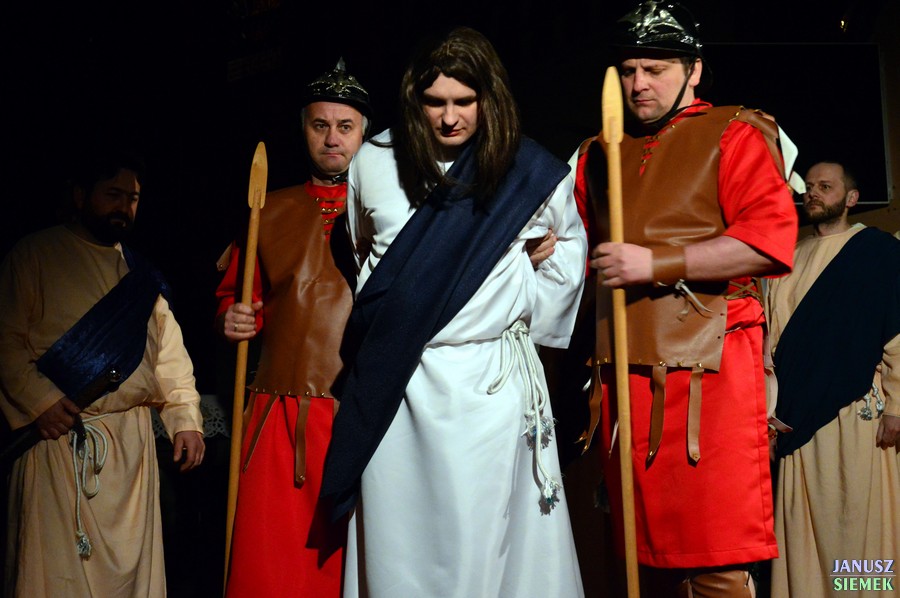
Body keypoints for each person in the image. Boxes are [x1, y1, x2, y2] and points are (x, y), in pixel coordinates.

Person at [319, 27, 587, 597]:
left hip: (491, 384)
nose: (448, 118)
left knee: (488, 540)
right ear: (414, 99)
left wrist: (519, 283)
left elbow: (568, 252)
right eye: (434, 102)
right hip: (401, 380)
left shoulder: (525, 170)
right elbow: (367, 256)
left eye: (464, 102)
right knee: (402, 543)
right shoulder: (376, 160)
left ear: (490, 97)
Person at [573, 2, 799, 594]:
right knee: (638, 549)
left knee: (714, 545)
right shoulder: (597, 153)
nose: (638, 84)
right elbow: (581, 251)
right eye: (628, 70)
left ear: (694, 69)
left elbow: (767, 241)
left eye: (655, 69)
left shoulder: (735, 131)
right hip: (624, 371)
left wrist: (655, 263)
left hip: (710, 372)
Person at [0, 147, 205, 597]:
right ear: (80, 195)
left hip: (132, 452)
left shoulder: (142, 277)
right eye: (113, 194)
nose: (124, 207)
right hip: (59, 440)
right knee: (56, 577)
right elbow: (5, 341)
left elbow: (170, 359)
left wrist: (185, 420)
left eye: (132, 198)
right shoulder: (35, 254)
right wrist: (40, 402)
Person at [215, 58, 369, 597]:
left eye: (345, 126)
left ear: (364, 134)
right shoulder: (268, 210)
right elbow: (236, 299)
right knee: (270, 565)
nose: (332, 138)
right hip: (277, 415)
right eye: (320, 125)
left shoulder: (389, 212)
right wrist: (233, 317)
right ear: (303, 128)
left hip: (358, 410)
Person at [766, 161, 900, 597]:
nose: (813, 193)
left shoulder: (878, 252)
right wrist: (768, 417)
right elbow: (770, 344)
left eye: (826, 186)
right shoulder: (787, 259)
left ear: (852, 198)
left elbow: (897, 336)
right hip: (796, 419)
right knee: (805, 529)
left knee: (857, 522)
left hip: (856, 416)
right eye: (809, 186)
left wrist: (897, 406)